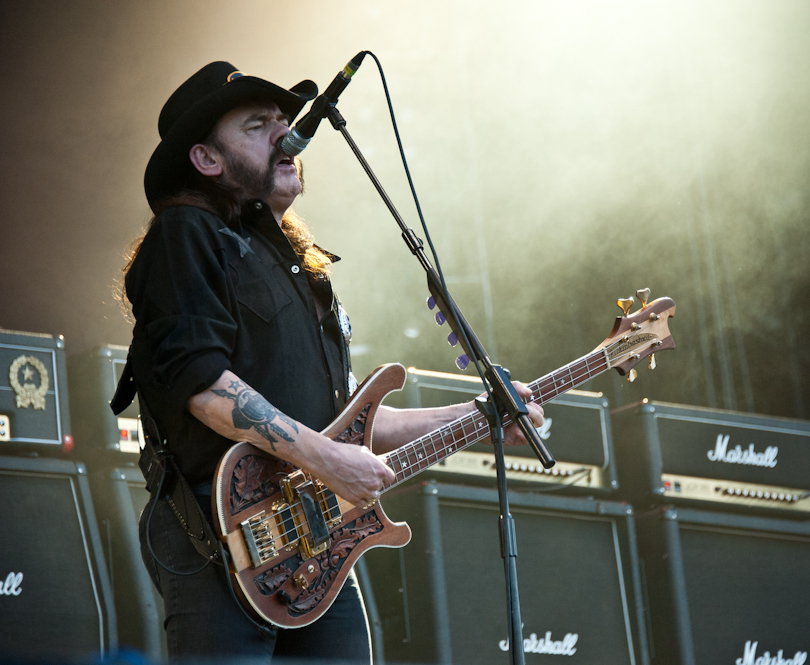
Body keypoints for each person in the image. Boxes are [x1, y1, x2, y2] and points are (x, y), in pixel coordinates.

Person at [122, 61, 543, 662]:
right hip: (221, 535)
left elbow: (343, 422)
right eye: (258, 124)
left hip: (312, 541)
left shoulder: (295, 263)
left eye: (284, 120)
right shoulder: (185, 234)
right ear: (207, 160)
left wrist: (480, 415)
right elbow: (204, 385)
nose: (286, 134)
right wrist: (326, 459)